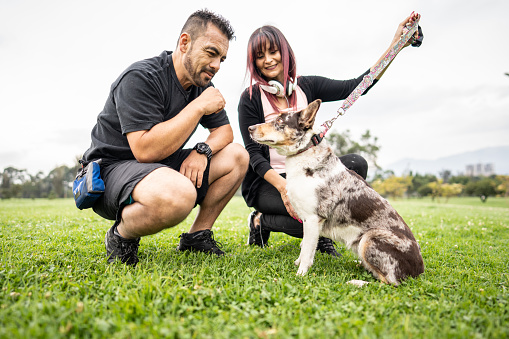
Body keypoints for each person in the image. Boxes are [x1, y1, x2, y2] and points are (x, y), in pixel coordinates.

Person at [238, 13, 422, 254]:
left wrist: (395, 45)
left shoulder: (308, 86)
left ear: (285, 52)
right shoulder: (250, 98)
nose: (269, 60)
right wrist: (284, 188)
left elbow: (357, 86)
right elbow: (253, 155)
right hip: (268, 183)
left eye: (273, 51)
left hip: (307, 174)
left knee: (355, 166)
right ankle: (260, 221)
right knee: (303, 211)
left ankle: (323, 232)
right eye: (260, 56)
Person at [80, 9, 249, 266]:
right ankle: (120, 235)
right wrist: (198, 107)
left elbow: (225, 132)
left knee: (237, 156)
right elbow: (144, 151)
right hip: (111, 171)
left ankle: (197, 236)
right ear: (184, 43)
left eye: (222, 59)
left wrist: (201, 151)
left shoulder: (201, 86)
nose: (216, 65)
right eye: (211, 53)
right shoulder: (141, 77)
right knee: (180, 195)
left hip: (159, 167)